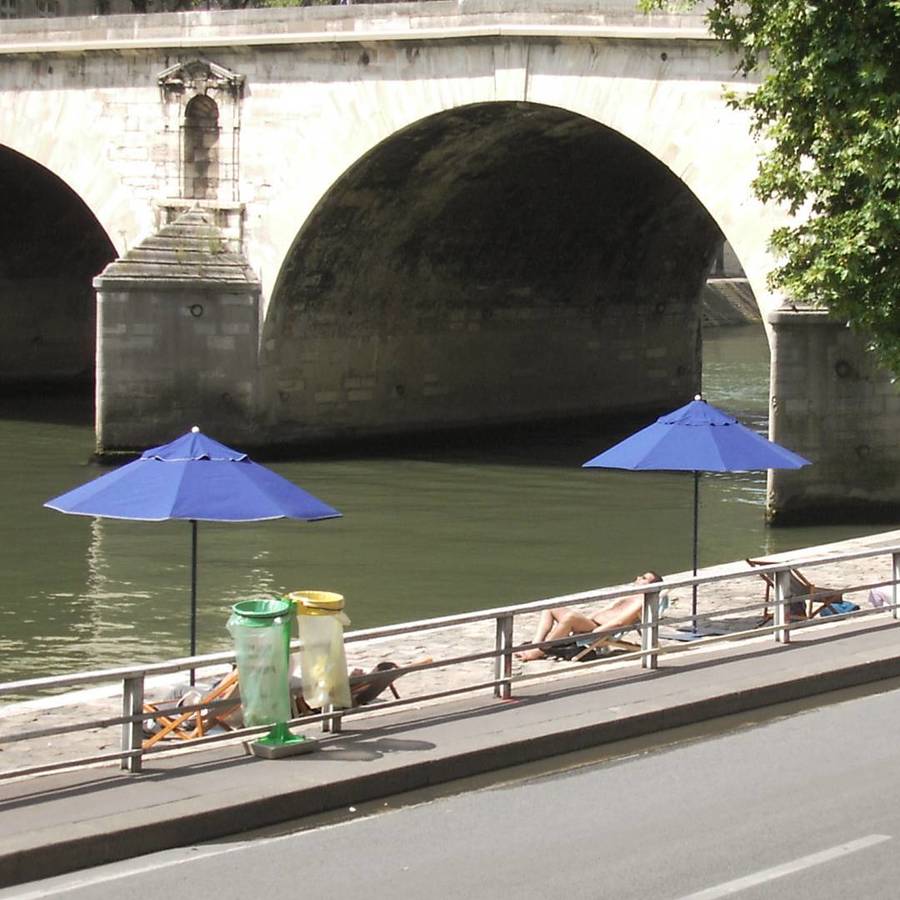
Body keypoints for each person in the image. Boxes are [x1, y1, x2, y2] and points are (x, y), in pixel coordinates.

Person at [517, 571, 663, 661]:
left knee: (570, 618)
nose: (638, 577)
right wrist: (586, 618)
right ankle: (536, 643)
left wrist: (596, 634)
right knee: (551, 608)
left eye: (643, 578)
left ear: (650, 586)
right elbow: (606, 609)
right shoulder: (629, 596)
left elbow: (619, 622)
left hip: (601, 629)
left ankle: (539, 650)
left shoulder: (641, 601)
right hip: (592, 623)